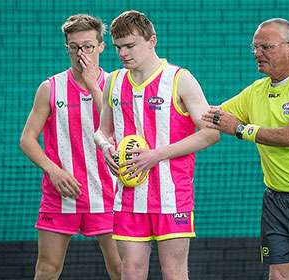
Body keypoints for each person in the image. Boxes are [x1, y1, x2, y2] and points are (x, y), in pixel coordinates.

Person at [202, 18, 289, 280]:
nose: (257, 53)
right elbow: (210, 116)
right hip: (277, 199)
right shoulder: (257, 91)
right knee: (279, 275)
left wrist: (242, 129)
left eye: (266, 47)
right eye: (254, 47)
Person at [94, 10, 219, 280]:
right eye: (118, 47)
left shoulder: (179, 78)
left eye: (130, 45)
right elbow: (101, 132)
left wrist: (155, 156)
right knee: (131, 272)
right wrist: (106, 148)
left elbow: (211, 134)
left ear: (152, 40)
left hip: (172, 197)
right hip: (128, 196)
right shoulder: (113, 82)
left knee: (173, 273)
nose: (123, 53)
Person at [19, 14, 121, 280]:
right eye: (74, 46)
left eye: (87, 46)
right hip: (61, 194)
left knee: (122, 269)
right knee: (48, 269)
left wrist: (91, 84)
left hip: (109, 194)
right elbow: (27, 140)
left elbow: (114, 128)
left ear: (101, 46)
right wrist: (53, 170)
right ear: (67, 47)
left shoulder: (117, 85)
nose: (81, 53)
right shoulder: (50, 88)